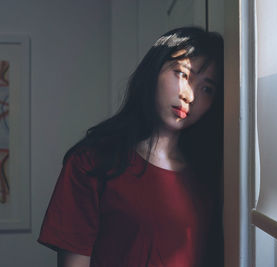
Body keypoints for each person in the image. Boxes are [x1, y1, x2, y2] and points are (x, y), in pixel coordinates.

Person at [38, 27, 224, 267]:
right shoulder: (91, 162)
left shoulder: (211, 174)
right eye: (182, 74)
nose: (190, 96)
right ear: (154, 70)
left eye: (207, 88)